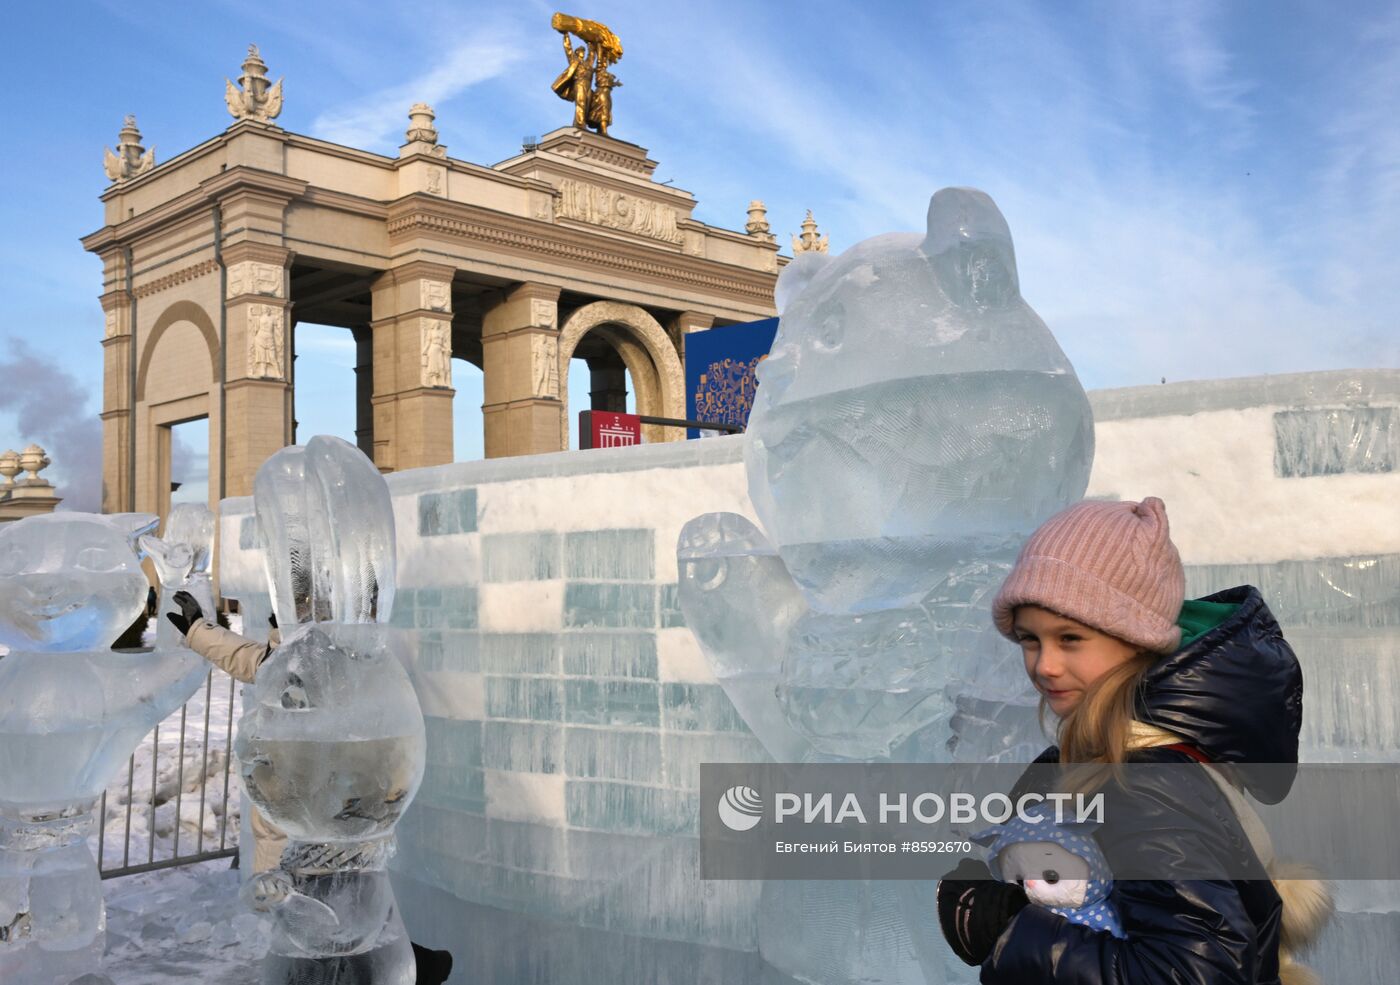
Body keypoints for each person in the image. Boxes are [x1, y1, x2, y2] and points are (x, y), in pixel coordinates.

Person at [935, 497, 1332, 984]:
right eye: (1029, 639)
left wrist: (1012, 930)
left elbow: (1194, 974)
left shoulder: (1142, 779)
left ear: (1138, 640)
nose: (1045, 665)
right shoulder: (1111, 756)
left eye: (1070, 638)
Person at [165, 592, 454, 985]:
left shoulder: (338, 668)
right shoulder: (281, 659)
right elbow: (244, 658)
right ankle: (412, 966)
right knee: (313, 936)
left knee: (338, 934)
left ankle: (412, 966)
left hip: (329, 840)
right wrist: (199, 629)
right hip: (292, 840)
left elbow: (369, 751)